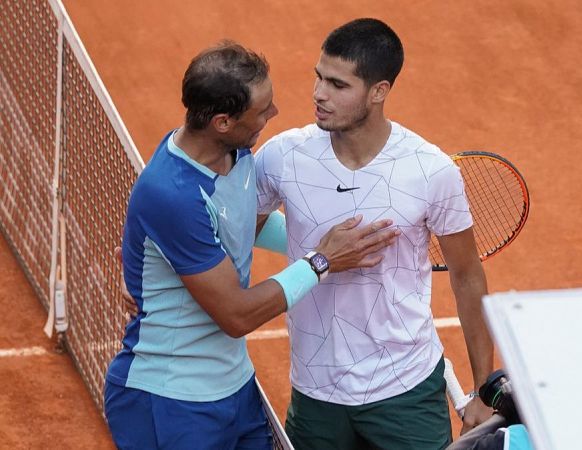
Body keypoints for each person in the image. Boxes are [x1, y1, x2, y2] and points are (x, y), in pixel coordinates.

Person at [104, 41, 399, 450]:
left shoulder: (236, 152)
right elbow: (237, 316)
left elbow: (243, 225)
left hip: (235, 389)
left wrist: (341, 244)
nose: (273, 114)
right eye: (262, 110)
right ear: (223, 121)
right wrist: (322, 260)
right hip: (170, 401)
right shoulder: (173, 193)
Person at [254, 18, 495, 449]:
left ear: (379, 91)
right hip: (315, 392)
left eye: (338, 85)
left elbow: (467, 275)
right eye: (318, 77)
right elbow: (240, 234)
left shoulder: (430, 170)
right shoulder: (281, 157)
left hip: (406, 391)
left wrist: (481, 389)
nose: (318, 94)